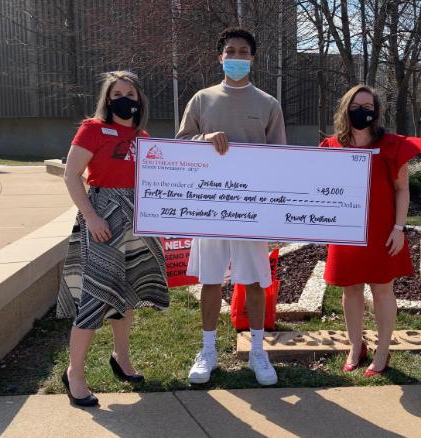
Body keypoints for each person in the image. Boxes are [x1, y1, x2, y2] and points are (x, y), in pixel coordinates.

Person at [176, 28, 287, 386]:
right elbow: (179, 147)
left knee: (254, 281)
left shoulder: (268, 103)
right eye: (230, 51)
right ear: (220, 57)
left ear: (252, 58)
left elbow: (280, 159)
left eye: (243, 52)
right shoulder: (201, 100)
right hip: (209, 207)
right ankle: (208, 350)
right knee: (210, 280)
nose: (236, 57)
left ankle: (258, 351)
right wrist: (203, 139)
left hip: (252, 209)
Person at [56, 71, 169, 406]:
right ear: (108, 99)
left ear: (139, 100)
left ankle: (121, 357)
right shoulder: (92, 129)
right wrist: (91, 216)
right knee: (96, 295)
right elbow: (71, 175)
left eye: (131, 95)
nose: (125, 100)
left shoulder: (142, 136)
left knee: (129, 291)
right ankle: (75, 372)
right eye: (118, 93)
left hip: (137, 216)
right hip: (104, 215)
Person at [319, 85, 421, 377]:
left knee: (382, 290)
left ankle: (382, 351)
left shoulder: (391, 145)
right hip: (345, 230)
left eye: (369, 106)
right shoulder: (331, 146)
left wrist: (399, 228)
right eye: (357, 105)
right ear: (346, 108)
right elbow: (319, 189)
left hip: (382, 230)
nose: (363, 111)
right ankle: (355, 346)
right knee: (350, 289)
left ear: (376, 111)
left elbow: (402, 189)